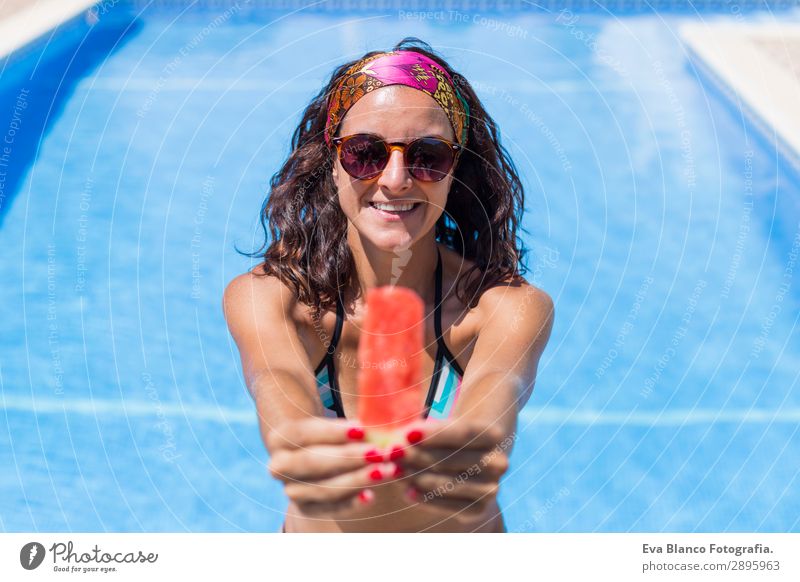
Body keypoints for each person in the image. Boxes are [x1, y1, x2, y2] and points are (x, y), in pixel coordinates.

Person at [223, 38, 554, 532]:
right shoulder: (272, 298)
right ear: (330, 162)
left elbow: (497, 391)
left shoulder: (505, 309)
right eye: (365, 154)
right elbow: (276, 382)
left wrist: (475, 443)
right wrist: (295, 435)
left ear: (456, 169)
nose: (396, 179)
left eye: (428, 156)